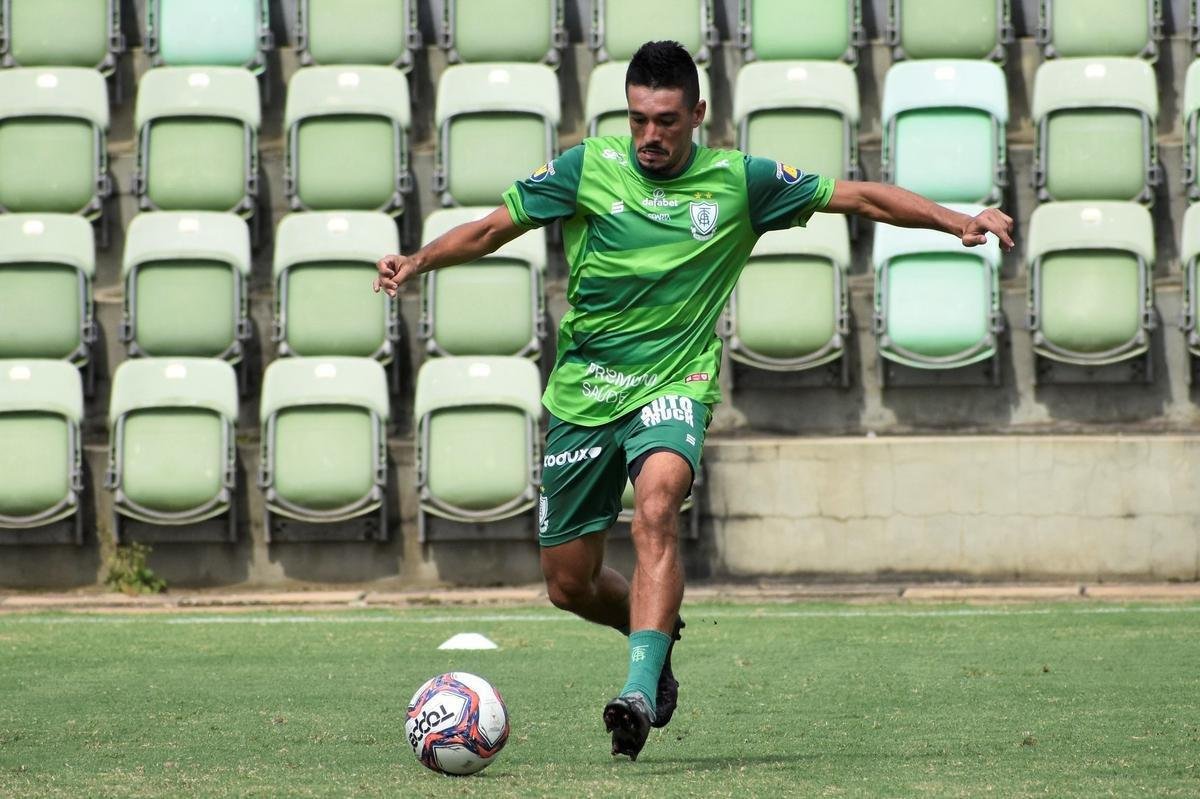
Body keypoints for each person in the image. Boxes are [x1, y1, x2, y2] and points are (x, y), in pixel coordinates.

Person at [374, 40, 1015, 761]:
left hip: (675, 382)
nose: (650, 135)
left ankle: (637, 694)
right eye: (639, 119)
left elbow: (861, 196)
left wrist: (957, 219)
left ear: (698, 114)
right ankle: (653, 635)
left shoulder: (742, 182)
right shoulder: (587, 167)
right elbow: (493, 227)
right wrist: (418, 259)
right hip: (586, 391)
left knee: (657, 507)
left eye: (667, 121)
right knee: (568, 584)